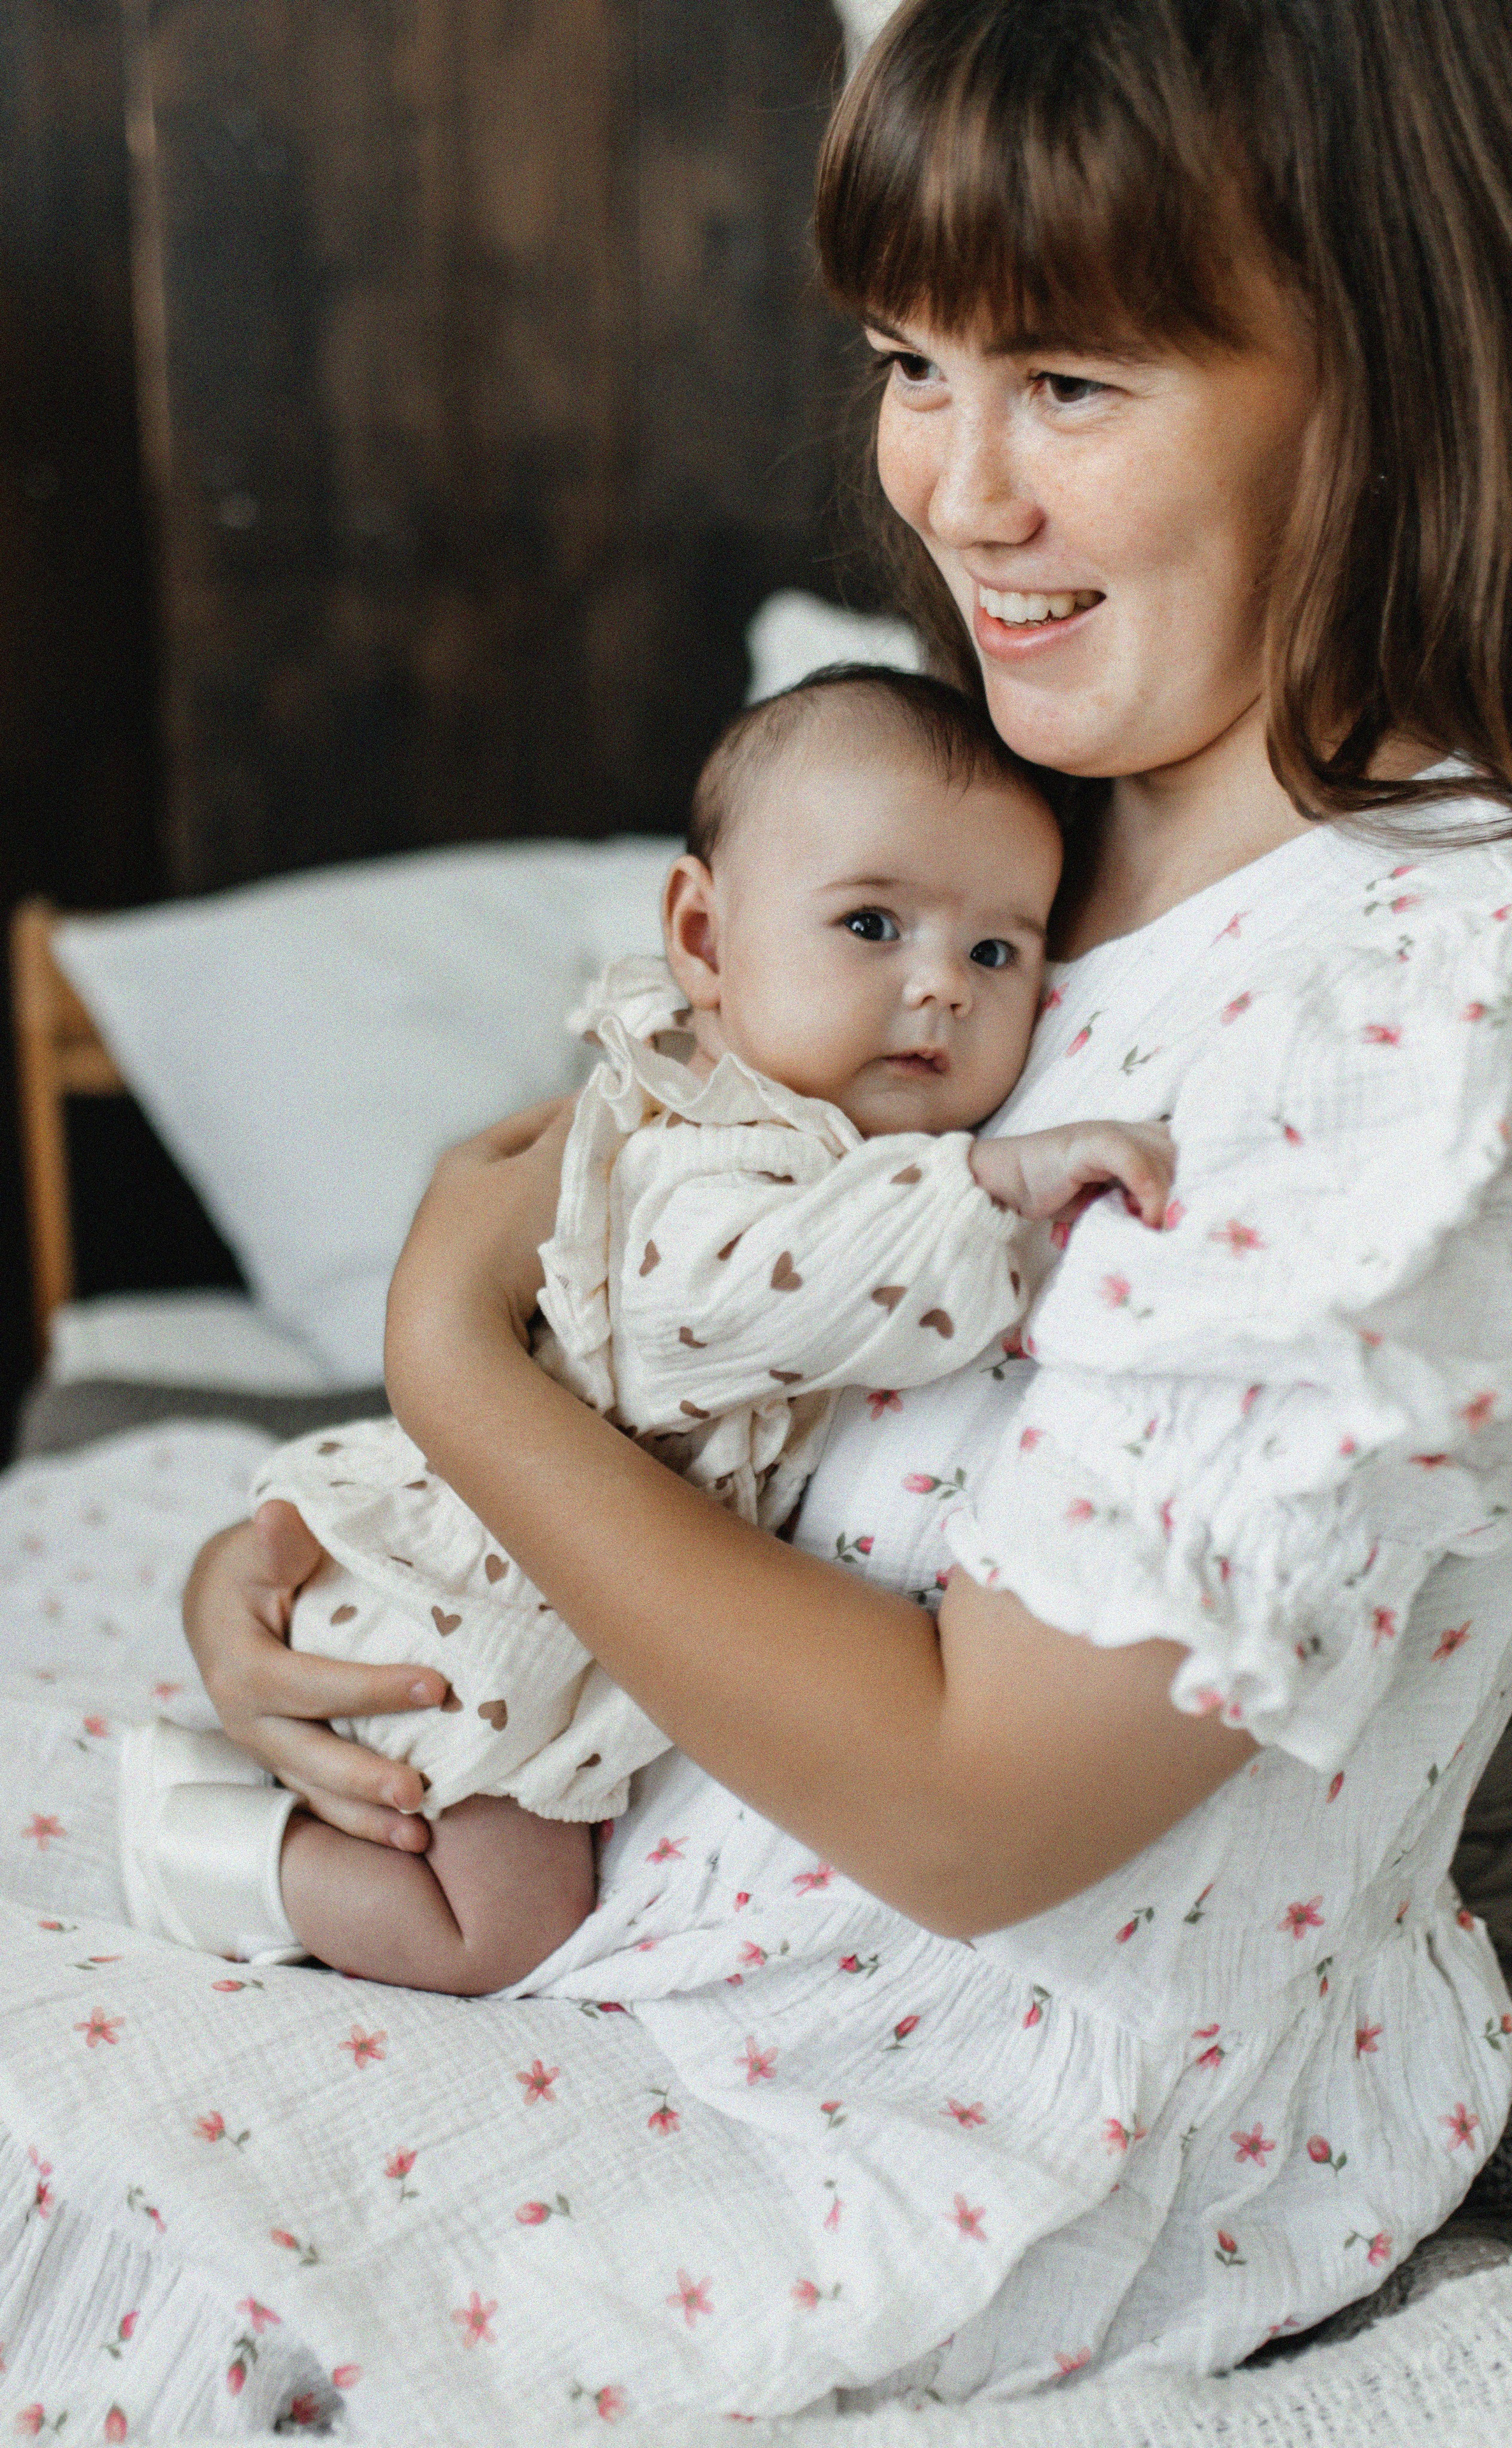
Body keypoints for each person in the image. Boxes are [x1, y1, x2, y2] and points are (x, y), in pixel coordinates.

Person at [177, 0, 1512, 2409]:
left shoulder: (1437, 1012)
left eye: (1067, 381)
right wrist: (373, 1587)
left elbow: (983, 1817)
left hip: (979, 2142)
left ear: (1387, 364)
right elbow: (644, 1265)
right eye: (905, 358)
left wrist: (448, 1371)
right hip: (650, 1901)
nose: (953, 490)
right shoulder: (1035, 830)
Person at [119, 666, 1172, 1993]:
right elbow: (745, 1296)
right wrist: (995, 1186)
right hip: (481, 1601)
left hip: (570, 1581)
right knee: (502, 1920)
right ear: (703, 936)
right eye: (868, 923)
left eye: (994, 951)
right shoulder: (704, 1144)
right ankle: (201, 1849)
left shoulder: (826, 1143)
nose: (940, 989)